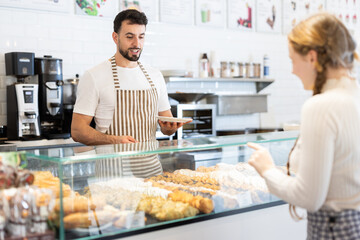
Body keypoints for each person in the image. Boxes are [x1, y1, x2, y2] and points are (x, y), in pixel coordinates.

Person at [247, 13, 360, 239]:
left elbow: (309, 197)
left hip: (333, 230)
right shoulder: (354, 96)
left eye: (292, 60)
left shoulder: (321, 106)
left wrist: (267, 169)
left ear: (311, 57)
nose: (292, 70)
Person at [71, 9, 190, 146]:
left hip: (150, 165)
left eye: (141, 37)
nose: (136, 44)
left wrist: (169, 128)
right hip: (113, 165)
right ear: (115, 37)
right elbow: (77, 131)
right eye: (129, 36)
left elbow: (167, 125)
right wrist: (115, 140)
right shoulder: (94, 76)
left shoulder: (155, 76)